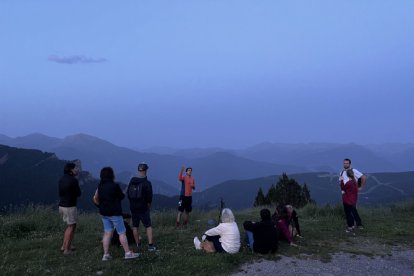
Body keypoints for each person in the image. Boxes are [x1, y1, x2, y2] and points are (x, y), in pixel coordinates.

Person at [97, 167, 139, 261]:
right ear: (111, 175)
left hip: (104, 213)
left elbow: (98, 198)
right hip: (115, 213)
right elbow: (121, 196)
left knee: (107, 233)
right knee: (122, 233)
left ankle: (106, 255)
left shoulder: (100, 186)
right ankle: (127, 253)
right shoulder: (114, 185)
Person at [127, 162, 157, 251]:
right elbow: (149, 197)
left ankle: (138, 244)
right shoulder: (147, 183)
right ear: (146, 170)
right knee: (148, 226)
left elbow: (128, 194)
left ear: (138, 170)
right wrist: (148, 205)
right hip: (143, 207)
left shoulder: (132, 180)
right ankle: (150, 245)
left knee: (135, 226)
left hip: (133, 207)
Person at [58, 162, 81, 255]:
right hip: (70, 206)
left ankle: (65, 245)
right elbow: (78, 193)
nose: (77, 170)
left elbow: (60, 193)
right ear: (71, 170)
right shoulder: (73, 180)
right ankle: (67, 250)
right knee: (71, 226)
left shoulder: (61, 179)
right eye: (75, 168)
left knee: (70, 225)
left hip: (62, 205)